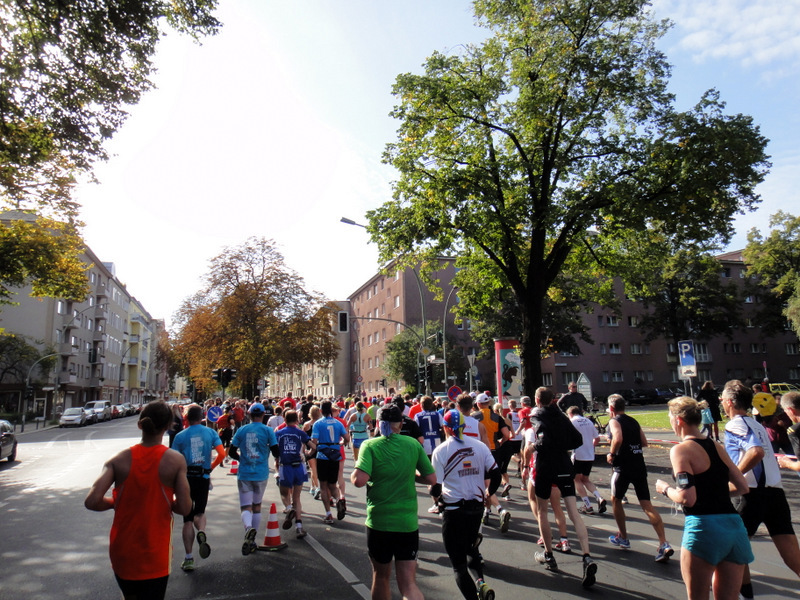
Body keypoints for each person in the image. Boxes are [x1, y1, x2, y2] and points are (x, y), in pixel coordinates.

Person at [85, 401, 192, 600]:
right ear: (168, 426)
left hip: (122, 550)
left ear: (140, 424)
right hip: (155, 551)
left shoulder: (117, 460)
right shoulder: (175, 461)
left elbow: (92, 501)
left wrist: (114, 503)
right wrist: (168, 502)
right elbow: (185, 508)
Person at [654, 396, 752, 600]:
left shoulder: (680, 450)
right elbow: (742, 486)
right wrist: (714, 491)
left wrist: (664, 489)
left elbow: (686, 497)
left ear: (679, 420)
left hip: (704, 528)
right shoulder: (717, 446)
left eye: (670, 418)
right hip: (734, 528)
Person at [721, 380, 800, 599]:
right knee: (791, 554)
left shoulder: (735, 424)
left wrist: (734, 476)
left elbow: (755, 452)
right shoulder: (757, 424)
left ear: (728, 402)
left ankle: (746, 595)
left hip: (750, 494)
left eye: (722, 401)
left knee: (734, 550)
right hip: (775, 492)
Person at [351, 404, 437, 600]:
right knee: (408, 582)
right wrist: (411, 475)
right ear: (400, 423)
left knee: (381, 576)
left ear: (378, 424)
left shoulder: (370, 445)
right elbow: (431, 479)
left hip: (379, 522)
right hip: (406, 523)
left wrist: (354, 474)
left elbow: (359, 480)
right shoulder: (412, 444)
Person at [529, 387, 598, 588]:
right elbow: (577, 439)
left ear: (537, 400)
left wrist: (535, 447)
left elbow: (542, 439)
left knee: (542, 510)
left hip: (546, 466)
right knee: (573, 512)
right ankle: (586, 556)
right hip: (564, 465)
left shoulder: (537, 415)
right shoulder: (561, 416)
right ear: (553, 400)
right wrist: (563, 445)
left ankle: (549, 554)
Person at [431, 410, 498, 600]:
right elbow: (496, 474)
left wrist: (437, 498)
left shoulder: (441, 450)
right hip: (476, 509)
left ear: (445, 427)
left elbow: (436, 487)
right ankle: (481, 583)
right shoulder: (479, 446)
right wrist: (489, 493)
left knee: (458, 565)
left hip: (454, 511)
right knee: (470, 547)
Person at [605, 394, 674, 562]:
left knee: (615, 499)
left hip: (623, 467)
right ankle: (663, 543)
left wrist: (612, 453)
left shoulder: (614, 421)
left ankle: (623, 537)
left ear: (612, 409)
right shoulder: (633, 421)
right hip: (638, 465)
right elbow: (644, 442)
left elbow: (618, 437)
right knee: (647, 505)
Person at [171, 404, 225, 571]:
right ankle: (201, 530)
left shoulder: (180, 436)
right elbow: (222, 454)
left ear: (186, 418)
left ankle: (188, 558)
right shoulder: (210, 432)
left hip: (185, 479)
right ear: (202, 417)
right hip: (203, 476)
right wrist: (211, 467)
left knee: (187, 518)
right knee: (200, 511)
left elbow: (173, 460)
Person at [228, 402, 279, 556]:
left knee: (245, 507)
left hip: (244, 473)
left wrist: (241, 459)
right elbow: (276, 451)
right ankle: (253, 540)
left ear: (249, 415)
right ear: (264, 415)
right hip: (261, 473)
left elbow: (231, 451)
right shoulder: (268, 430)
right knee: (256, 506)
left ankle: (248, 528)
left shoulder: (242, 430)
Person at [276, 410, 316, 539]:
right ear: (297, 420)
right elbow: (313, 446)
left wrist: (278, 456)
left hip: (285, 466)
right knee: (297, 497)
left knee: (283, 492)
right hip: (299, 466)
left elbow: (273, 448)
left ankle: (288, 508)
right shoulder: (300, 433)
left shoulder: (279, 433)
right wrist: (308, 454)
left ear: (284, 419)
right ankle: (299, 527)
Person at [312, 400, 350, 524]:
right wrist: (341, 443)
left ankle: (328, 514)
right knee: (333, 485)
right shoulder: (338, 423)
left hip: (323, 455)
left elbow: (314, 441)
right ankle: (339, 499)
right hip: (335, 456)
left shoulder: (318, 423)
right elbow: (347, 438)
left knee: (323, 486)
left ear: (321, 411)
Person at [566, 406, 607, 515]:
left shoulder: (572, 422)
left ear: (570, 414)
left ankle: (588, 505)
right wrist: (591, 446)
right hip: (589, 455)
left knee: (577, 480)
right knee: (586, 479)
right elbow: (597, 438)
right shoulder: (588, 421)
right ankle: (599, 497)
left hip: (578, 455)